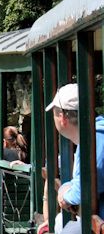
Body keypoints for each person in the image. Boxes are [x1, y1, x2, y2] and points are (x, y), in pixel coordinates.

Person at [45, 83, 104, 220]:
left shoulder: (95, 139)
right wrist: (68, 186)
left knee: (60, 226)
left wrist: (64, 194)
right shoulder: (93, 136)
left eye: (54, 113)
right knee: (60, 223)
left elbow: (84, 189)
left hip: (99, 230)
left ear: (62, 117)